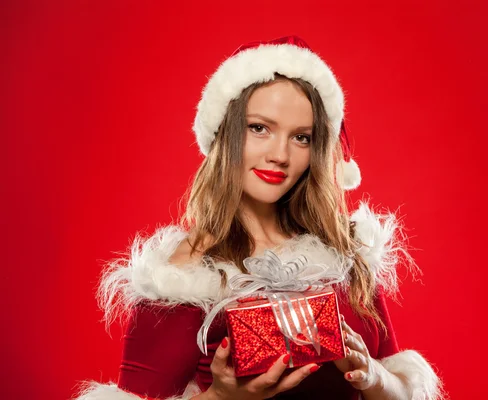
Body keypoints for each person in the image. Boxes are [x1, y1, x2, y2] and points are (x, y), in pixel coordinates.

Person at [74, 36, 445, 400]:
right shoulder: (181, 275)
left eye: (301, 137)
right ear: (226, 134)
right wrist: (220, 398)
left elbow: (399, 387)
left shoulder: (346, 253)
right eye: (259, 128)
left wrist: (373, 374)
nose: (280, 155)